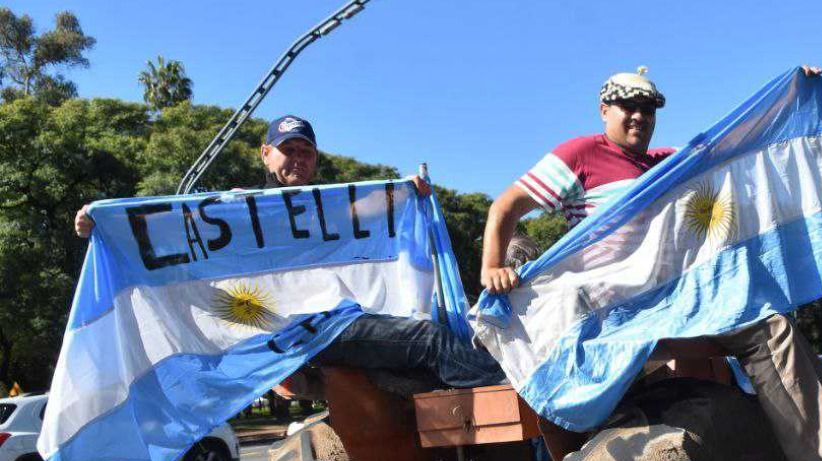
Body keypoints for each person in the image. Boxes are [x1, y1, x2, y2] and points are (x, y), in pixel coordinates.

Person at [479, 67, 822, 461]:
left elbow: (741, 146)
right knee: (767, 333)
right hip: (621, 314)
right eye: (628, 106)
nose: (639, 116)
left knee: (770, 319)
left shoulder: (667, 165)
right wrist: (492, 266)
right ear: (604, 109)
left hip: (675, 302)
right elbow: (507, 206)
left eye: (647, 108)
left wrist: (795, 88)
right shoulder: (582, 154)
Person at [74, 115, 504, 389]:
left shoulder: (332, 206)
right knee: (429, 340)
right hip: (306, 329)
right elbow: (170, 227)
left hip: (341, 321)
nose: (297, 157)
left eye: (306, 150)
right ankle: (504, 401)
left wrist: (406, 191)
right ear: (265, 155)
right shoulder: (237, 209)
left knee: (427, 347)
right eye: (288, 149)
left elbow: (371, 207)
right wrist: (104, 222)